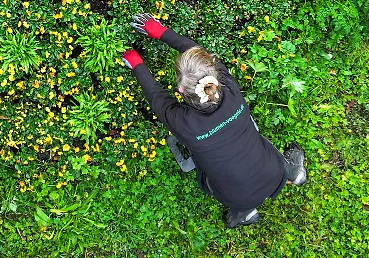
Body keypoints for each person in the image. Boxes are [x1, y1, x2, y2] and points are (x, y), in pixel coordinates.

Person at [122, 13, 308, 228]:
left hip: (236, 198)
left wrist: (136, 61)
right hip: (273, 171)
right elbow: (195, 57)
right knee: (259, 143)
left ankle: (244, 213)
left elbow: (155, 94)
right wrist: (162, 32)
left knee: (220, 183)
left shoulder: (184, 123)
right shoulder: (230, 88)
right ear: (213, 75)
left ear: (180, 90)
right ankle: (291, 173)